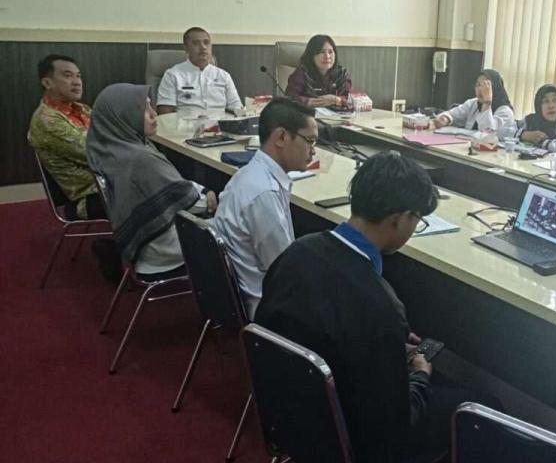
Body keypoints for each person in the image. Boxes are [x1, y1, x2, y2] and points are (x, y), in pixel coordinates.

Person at [255, 152, 443, 462]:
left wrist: (387, 345)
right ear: (399, 218)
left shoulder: (296, 252)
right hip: (351, 442)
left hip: (288, 416)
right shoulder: (381, 306)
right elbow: (393, 430)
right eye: (417, 221)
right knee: (478, 401)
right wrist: (420, 377)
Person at [87, 84, 218, 277]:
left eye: (151, 106)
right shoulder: (141, 159)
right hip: (168, 250)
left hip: (147, 244)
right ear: (122, 116)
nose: (153, 114)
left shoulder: (110, 147)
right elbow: (190, 203)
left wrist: (202, 191)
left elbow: (173, 184)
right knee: (245, 226)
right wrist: (209, 197)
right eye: (144, 109)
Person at [211, 99, 317, 319]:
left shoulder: (249, 174)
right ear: (281, 137)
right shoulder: (263, 193)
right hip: (267, 306)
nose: (313, 151)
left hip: (253, 292)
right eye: (310, 141)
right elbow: (285, 271)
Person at [28, 54, 104, 220]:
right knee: (153, 187)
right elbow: (97, 153)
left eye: (78, 76)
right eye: (68, 76)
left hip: (109, 183)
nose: (77, 82)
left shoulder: (82, 109)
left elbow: (109, 137)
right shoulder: (47, 121)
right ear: (47, 83)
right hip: (90, 196)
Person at [156, 27, 242, 114]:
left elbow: (236, 107)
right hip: (185, 121)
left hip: (220, 121)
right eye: (196, 43)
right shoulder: (173, 75)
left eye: (206, 42)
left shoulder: (224, 75)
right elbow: (165, 112)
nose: (203, 47)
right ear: (186, 48)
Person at [433, 69, 517, 137]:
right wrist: (445, 118)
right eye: (478, 85)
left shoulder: (505, 112)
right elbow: (452, 114)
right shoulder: (473, 103)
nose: (480, 89)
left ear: (495, 88)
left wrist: (487, 103)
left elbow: (486, 133)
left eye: (485, 86)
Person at [285, 34, 353, 108]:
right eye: (322, 52)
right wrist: (309, 102)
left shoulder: (341, 73)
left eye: (330, 52)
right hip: (308, 113)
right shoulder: (302, 73)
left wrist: (336, 100)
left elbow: (350, 99)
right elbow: (289, 98)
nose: (327, 56)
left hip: (336, 114)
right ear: (312, 55)